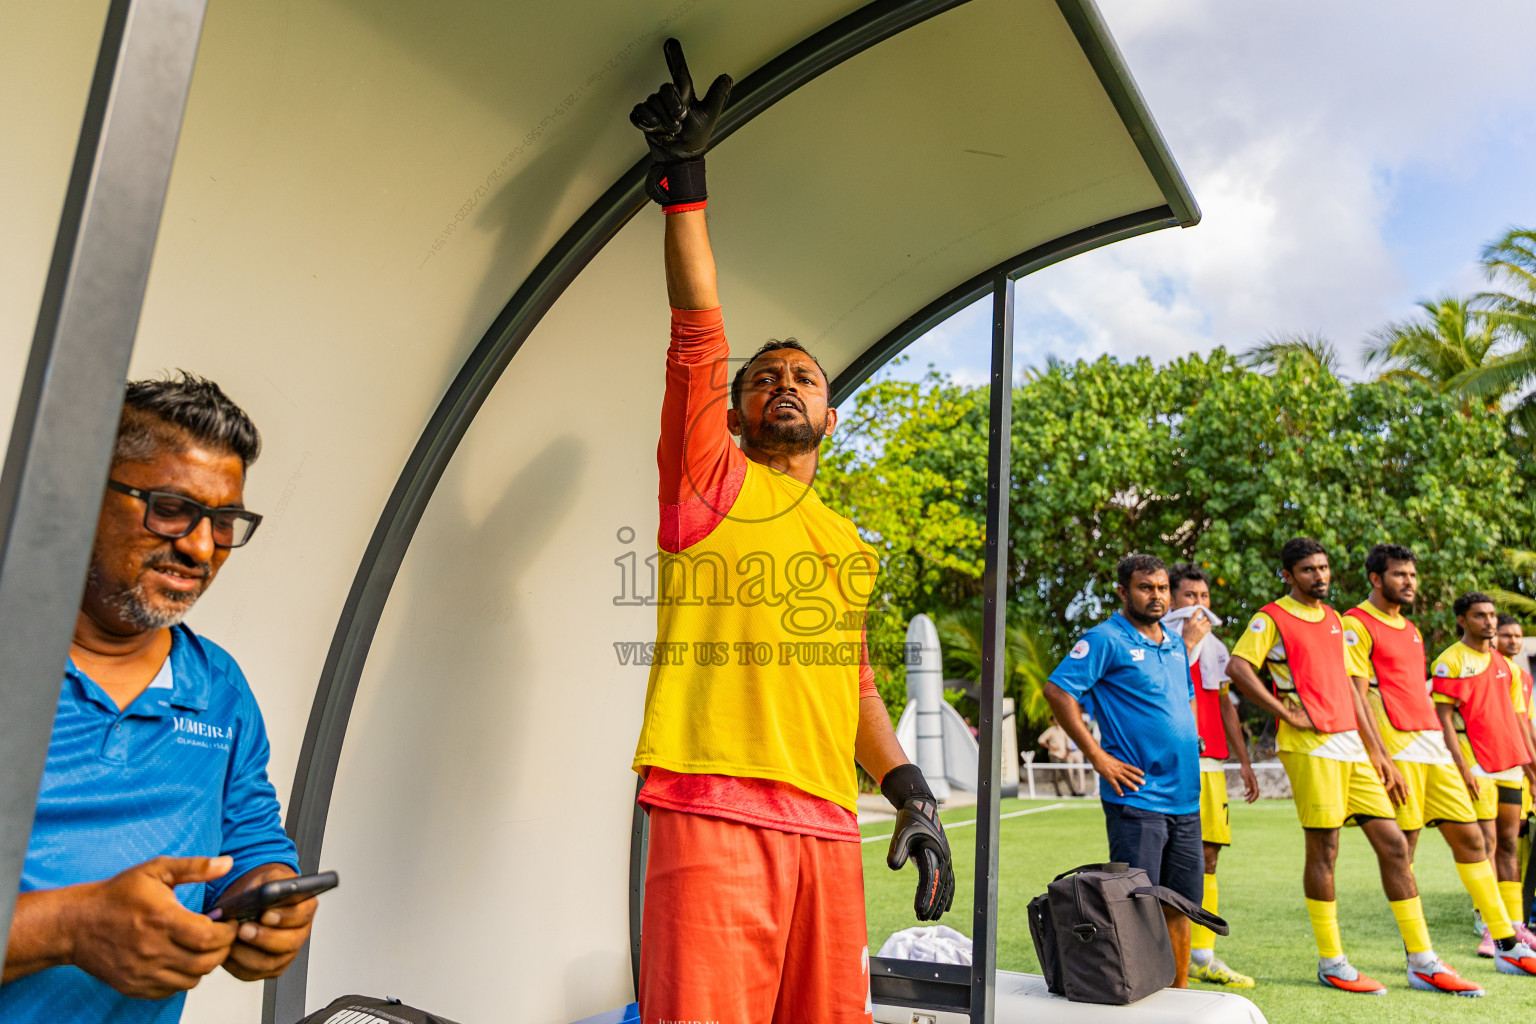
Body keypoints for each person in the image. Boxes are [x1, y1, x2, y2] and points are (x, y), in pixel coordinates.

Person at [626, 41, 954, 1024]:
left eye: (803, 377)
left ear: (831, 416)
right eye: (764, 379)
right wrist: (686, 187)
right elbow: (698, 335)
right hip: (713, 808)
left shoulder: (849, 543)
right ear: (732, 415)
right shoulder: (710, 482)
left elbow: (852, 682)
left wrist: (910, 788)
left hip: (828, 825)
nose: (783, 384)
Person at [0, 373, 314, 1022]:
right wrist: (68, 927)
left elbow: (249, 841)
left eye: (223, 522)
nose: (200, 547)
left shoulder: (219, 690)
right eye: (170, 508)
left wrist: (268, 899)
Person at [1225, 537, 1481, 996]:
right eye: (1308, 569)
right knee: (1325, 851)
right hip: (1310, 748)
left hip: (1352, 746)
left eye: (1323, 568)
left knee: (1395, 846)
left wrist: (1377, 753)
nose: (1319, 576)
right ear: (1288, 575)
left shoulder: (1334, 620)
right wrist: (1285, 713)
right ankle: (1332, 962)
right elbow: (1238, 669)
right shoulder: (1271, 617)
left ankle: (1422, 961)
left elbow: (1351, 689)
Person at [1343, 548, 1536, 971]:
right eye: (1400, 575)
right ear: (1376, 578)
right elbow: (1356, 694)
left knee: (1474, 842)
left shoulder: (1411, 629)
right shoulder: (1355, 624)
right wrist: (1379, 755)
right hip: (1400, 752)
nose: (1409, 582)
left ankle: (1506, 943)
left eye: (1412, 575)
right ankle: (1419, 956)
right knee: (1403, 850)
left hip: (1433, 751)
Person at [1044, 554, 1202, 989]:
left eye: (1163, 588)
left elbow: (1183, 701)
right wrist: (1097, 756)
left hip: (1186, 797)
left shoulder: (1175, 643)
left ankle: (1179, 997)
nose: (1157, 596)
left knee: (1181, 904)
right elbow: (1058, 691)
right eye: (1145, 588)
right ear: (1122, 592)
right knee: (1136, 905)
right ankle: (1140, 997)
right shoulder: (1104, 639)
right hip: (1137, 796)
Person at [1164, 564, 1258, 988]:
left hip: (1212, 764)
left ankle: (1202, 954)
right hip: (1171, 762)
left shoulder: (1217, 648)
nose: (1199, 604)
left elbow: (1224, 705)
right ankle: (1161, 951)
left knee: (1209, 854)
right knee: (1166, 857)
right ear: (1172, 600)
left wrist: (1243, 760)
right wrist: (1186, 645)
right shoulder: (1161, 641)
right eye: (1190, 596)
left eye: (1204, 596)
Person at [1432, 593, 1536, 957]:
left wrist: (1532, 770)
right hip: (1476, 765)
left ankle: (1516, 925)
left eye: (1492, 615)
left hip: (1510, 766)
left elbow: (1519, 721)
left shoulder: (1507, 667)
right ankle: (1493, 928)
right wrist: (1462, 768)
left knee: (1509, 845)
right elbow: (1443, 721)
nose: (1490, 621)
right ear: (1463, 620)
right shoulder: (1449, 661)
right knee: (1488, 845)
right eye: (1480, 615)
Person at [1496, 614, 1536, 927]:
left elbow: (1526, 724)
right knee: (1499, 838)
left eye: (1517, 636)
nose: (1514, 641)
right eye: (1507, 635)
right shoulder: (1485, 669)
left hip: (1522, 765)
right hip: (1496, 764)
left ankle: (1520, 912)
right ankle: (1487, 914)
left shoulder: (1522, 676)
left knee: (1519, 835)